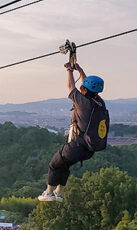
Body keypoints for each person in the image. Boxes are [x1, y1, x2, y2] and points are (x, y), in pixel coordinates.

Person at [38, 62, 106, 202]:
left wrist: (69, 70)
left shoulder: (82, 103)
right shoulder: (99, 103)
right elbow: (87, 84)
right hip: (89, 149)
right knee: (64, 165)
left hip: (76, 146)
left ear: (85, 90)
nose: (81, 89)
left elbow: (70, 87)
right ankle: (58, 193)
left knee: (54, 164)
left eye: (83, 88)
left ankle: (48, 193)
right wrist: (80, 70)